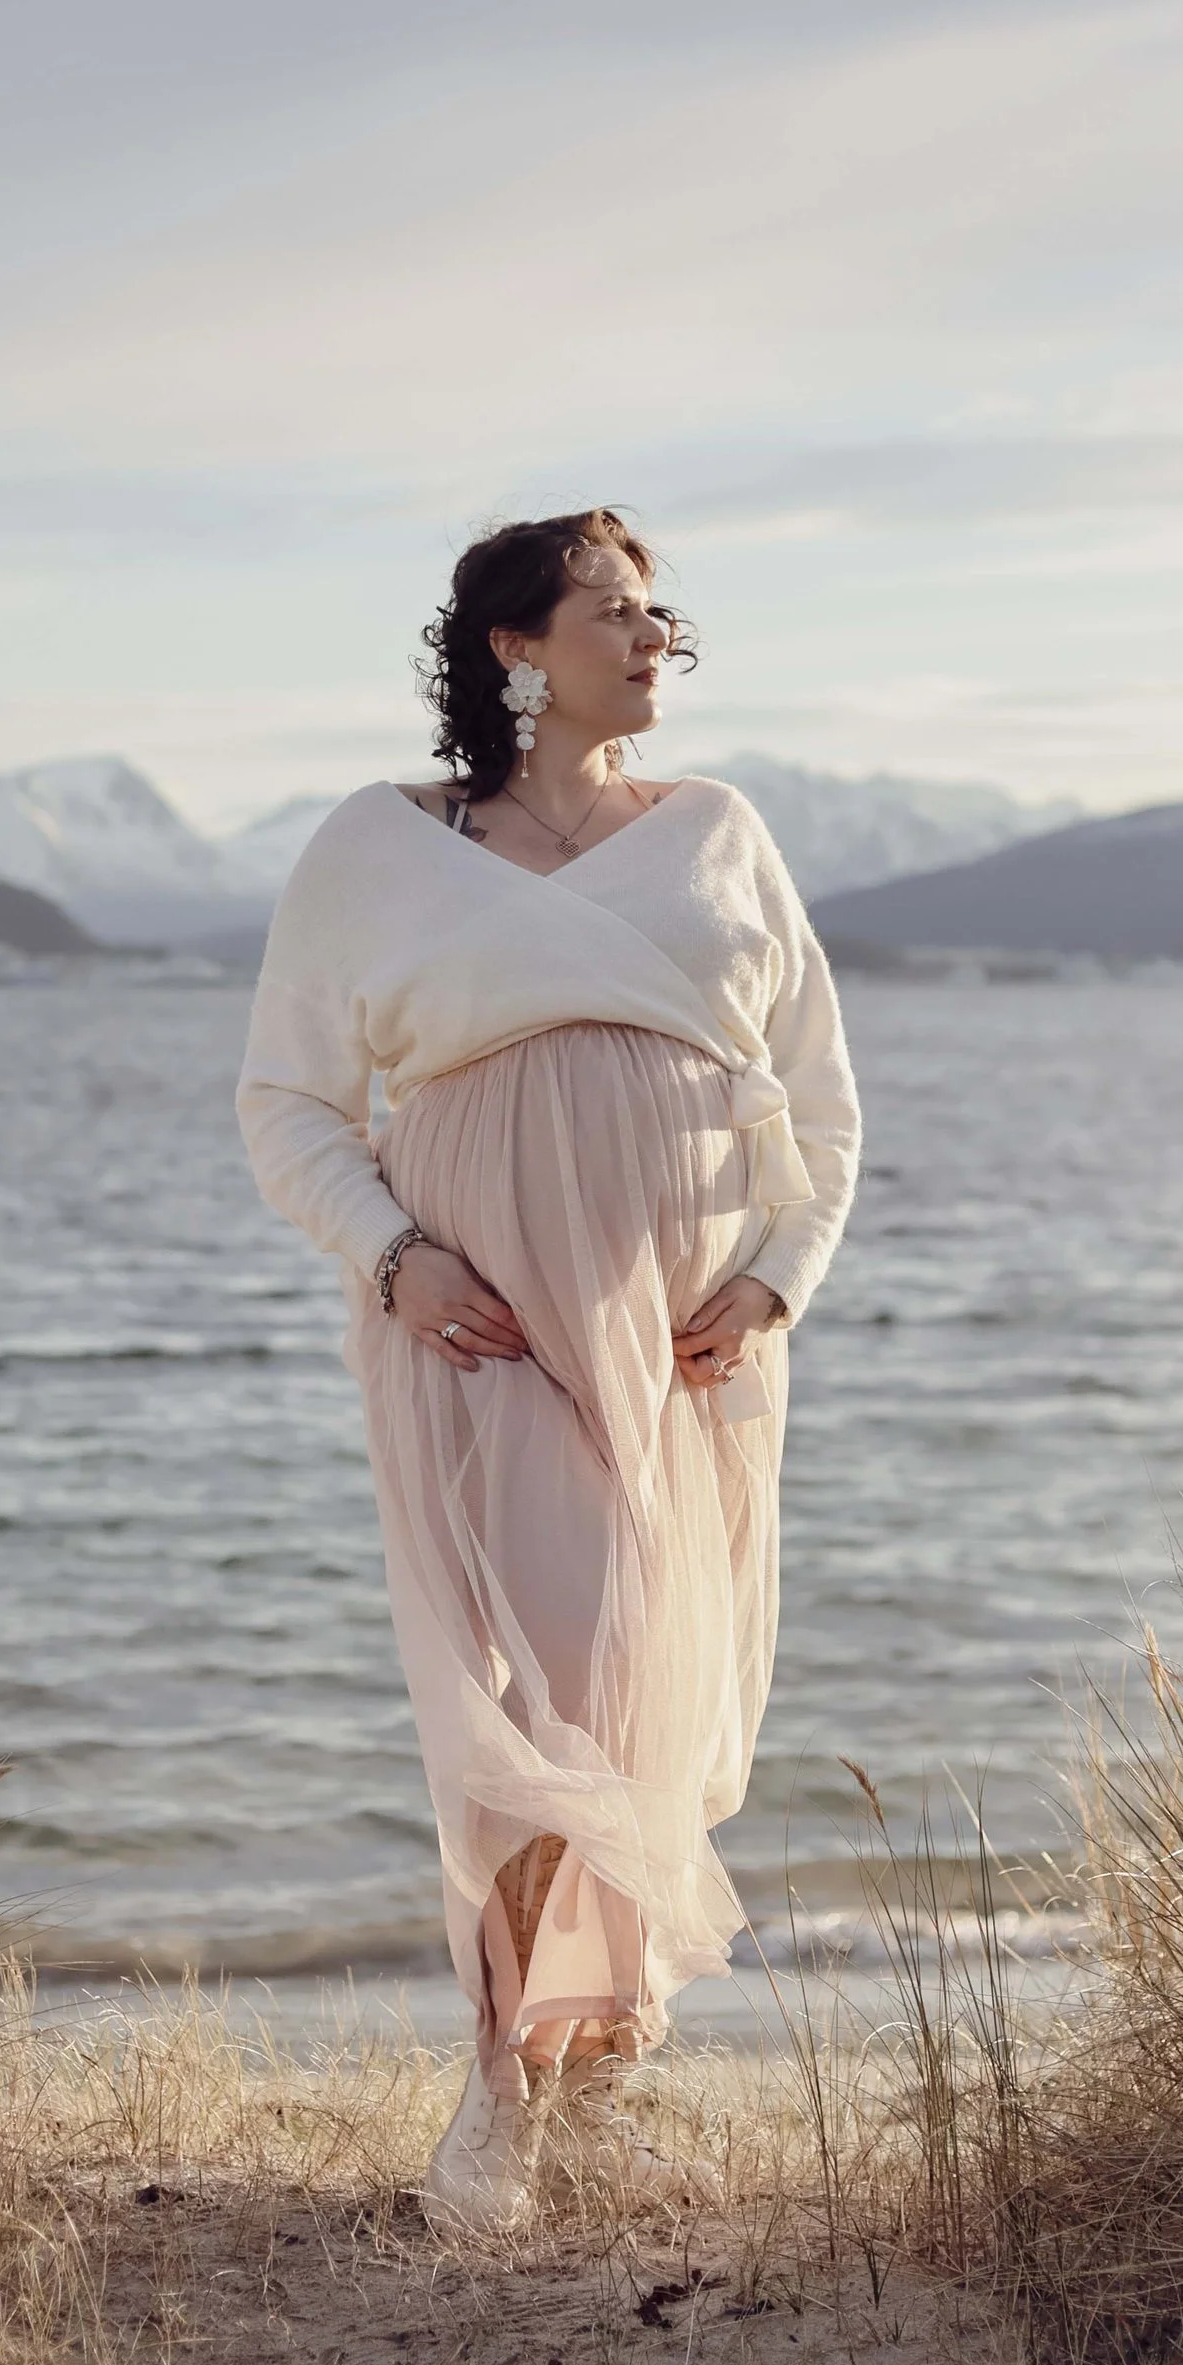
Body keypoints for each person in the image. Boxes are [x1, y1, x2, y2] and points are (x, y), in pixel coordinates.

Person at [236, 507, 861, 2223]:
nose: (655, 637)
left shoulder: (722, 833)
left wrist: (778, 1279)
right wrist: (393, 1255)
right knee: (522, 1699)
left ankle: (600, 2061)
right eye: (612, 610)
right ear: (517, 646)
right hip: (479, 1318)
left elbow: (820, 1100)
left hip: (685, 1339)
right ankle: (500, 2091)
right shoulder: (383, 844)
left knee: (636, 1690)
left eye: (663, 613)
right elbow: (288, 1100)